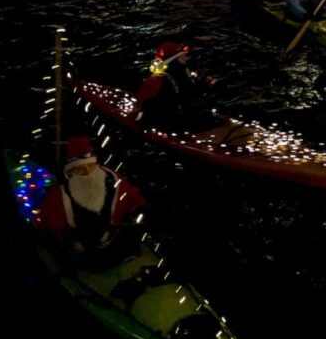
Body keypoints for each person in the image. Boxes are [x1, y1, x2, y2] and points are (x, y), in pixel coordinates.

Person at [38, 135, 145, 268]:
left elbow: (131, 197)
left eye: (90, 166)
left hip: (110, 243)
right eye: (80, 168)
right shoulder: (59, 194)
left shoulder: (112, 178)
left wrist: (138, 209)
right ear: (70, 172)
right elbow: (50, 223)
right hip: (78, 253)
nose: (87, 172)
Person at [136, 41, 216, 131]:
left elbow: (188, 91)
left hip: (180, 113)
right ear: (174, 59)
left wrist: (203, 84)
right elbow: (148, 107)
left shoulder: (181, 73)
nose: (186, 57)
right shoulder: (157, 81)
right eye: (182, 55)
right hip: (166, 122)